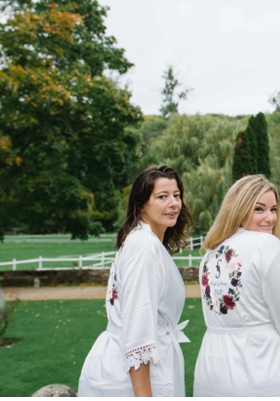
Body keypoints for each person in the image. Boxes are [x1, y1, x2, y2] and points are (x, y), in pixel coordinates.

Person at [78, 165, 193, 397]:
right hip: (132, 377)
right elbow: (138, 331)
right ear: (141, 203)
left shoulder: (142, 241)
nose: (173, 203)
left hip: (131, 361)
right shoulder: (144, 247)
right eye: (162, 196)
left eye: (176, 195)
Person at [193, 175, 280, 397]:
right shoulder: (267, 245)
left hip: (212, 363)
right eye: (259, 209)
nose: (270, 218)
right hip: (261, 362)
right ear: (239, 209)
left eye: (273, 209)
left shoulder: (210, 252)